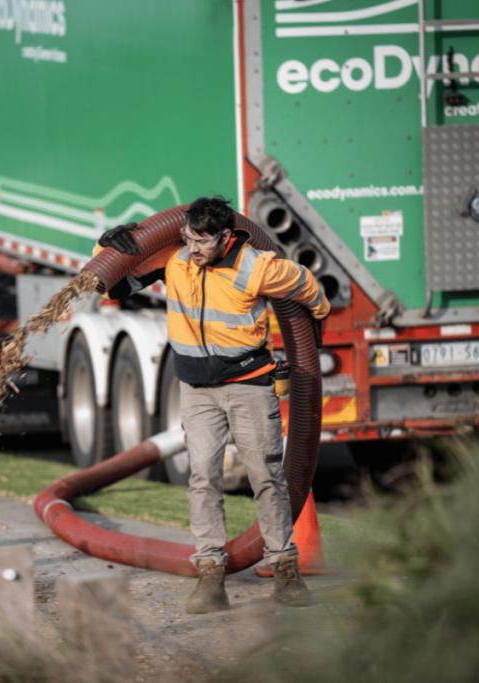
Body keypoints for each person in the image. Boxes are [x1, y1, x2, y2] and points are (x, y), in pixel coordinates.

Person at [96, 196, 330, 614]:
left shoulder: (257, 266)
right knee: (202, 477)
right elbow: (115, 282)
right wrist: (106, 245)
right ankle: (210, 575)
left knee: (266, 477)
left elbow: (310, 288)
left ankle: (284, 570)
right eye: (188, 239)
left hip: (249, 387)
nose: (194, 249)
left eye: (202, 242)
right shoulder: (176, 259)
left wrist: (316, 329)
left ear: (225, 237)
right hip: (197, 390)